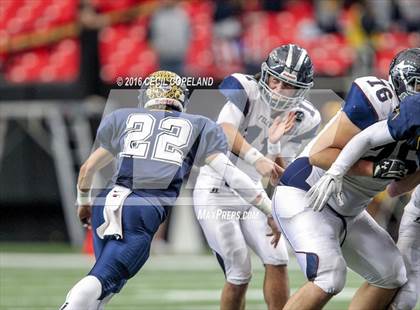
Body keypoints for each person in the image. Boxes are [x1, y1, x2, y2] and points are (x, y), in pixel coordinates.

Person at [59, 70, 279, 310]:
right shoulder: (198, 125)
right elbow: (232, 175)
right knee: (104, 278)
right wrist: (268, 210)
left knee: (106, 284)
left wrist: (84, 203)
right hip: (141, 211)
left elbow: (87, 169)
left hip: (106, 201)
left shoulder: (124, 117)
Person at [271, 47, 420, 310]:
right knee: (329, 276)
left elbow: (397, 188)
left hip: (350, 210)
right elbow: (321, 155)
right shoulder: (377, 100)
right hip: (308, 193)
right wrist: (374, 170)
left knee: (392, 273)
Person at [194, 44, 320, 310]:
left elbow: (276, 169)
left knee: (277, 259)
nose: (277, 88)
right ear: (266, 74)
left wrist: (274, 153)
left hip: (252, 189)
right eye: (275, 79)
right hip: (217, 189)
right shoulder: (247, 90)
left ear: (302, 89)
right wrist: (257, 158)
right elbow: (224, 132)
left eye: (287, 85)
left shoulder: (302, 117)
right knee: (239, 273)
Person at [305, 92, 420, 310]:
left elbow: (397, 188)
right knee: (406, 294)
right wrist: (336, 172)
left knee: (400, 284)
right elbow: (367, 137)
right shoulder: (415, 107)